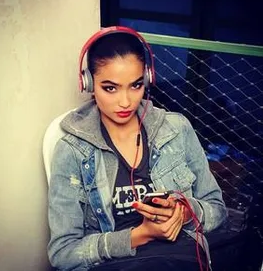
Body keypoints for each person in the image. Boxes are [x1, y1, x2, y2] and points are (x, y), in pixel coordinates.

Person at [47, 26, 227, 271]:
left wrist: (185, 213)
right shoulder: (73, 150)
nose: (125, 102)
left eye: (135, 85)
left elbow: (218, 210)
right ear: (89, 83)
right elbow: (63, 253)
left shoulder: (176, 129)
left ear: (148, 79)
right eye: (110, 88)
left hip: (181, 259)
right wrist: (140, 235)